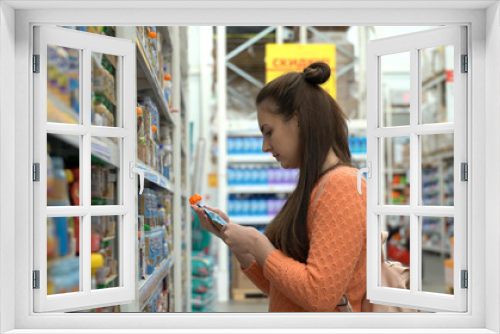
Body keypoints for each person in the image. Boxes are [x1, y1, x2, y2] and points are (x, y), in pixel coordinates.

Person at [191, 62, 367, 312]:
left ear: (297, 120)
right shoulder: (316, 185)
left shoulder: (342, 186)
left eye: (268, 132)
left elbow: (319, 296)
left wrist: (257, 243)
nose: (265, 146)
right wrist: (238, 245)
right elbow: (283, 289)